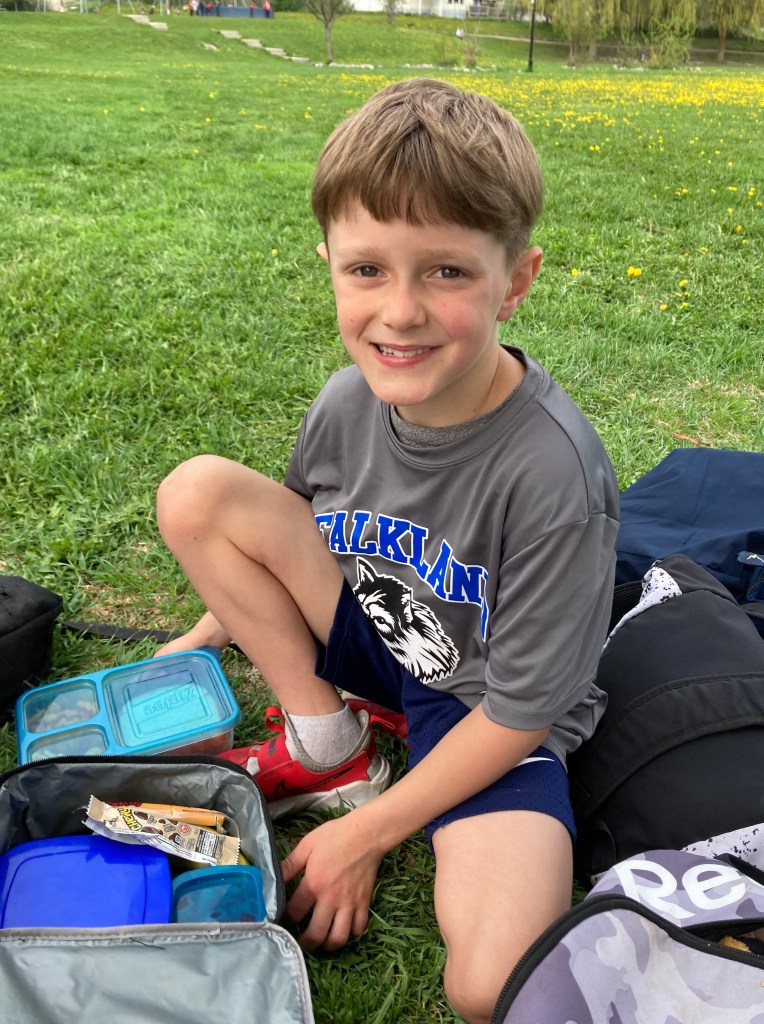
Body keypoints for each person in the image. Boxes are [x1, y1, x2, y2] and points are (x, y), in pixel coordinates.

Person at [155, 79, 619, 1024]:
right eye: (367, 269)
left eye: (446, 272)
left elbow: (522, 710)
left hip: (486, 711)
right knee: (198, 494)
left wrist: (370, 834)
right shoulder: (346, 401)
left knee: (494, 986)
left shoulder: (555, 474)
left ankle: (369, 785)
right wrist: (206, 635)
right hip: (380, 629)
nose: (400, 312)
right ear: (328, 262)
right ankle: (331, 744)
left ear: (516, 280)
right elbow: (294, 522)